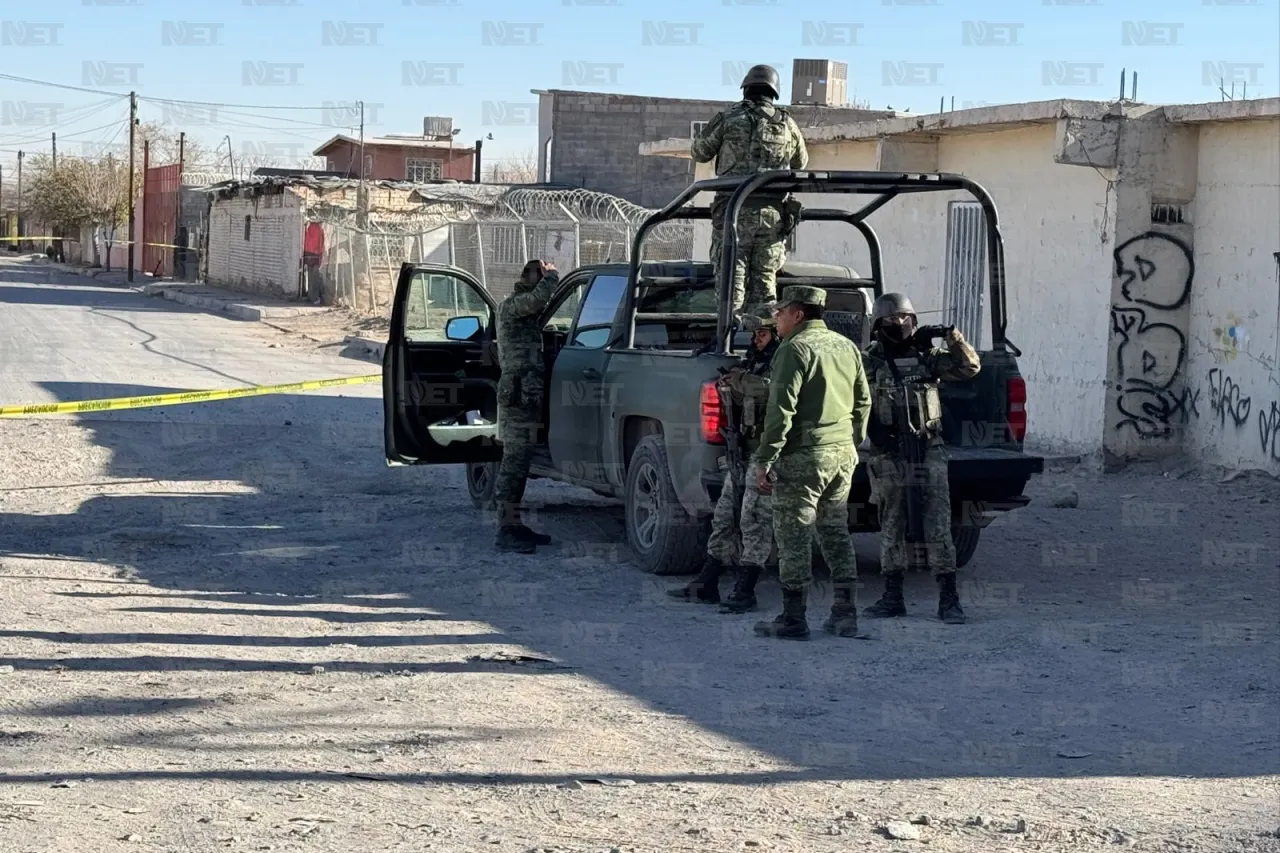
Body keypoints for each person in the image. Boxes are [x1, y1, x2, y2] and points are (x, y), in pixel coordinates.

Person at [751, 286, 872, 640]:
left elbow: (781, 411)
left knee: (794, 535)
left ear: (798, 314)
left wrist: (765, 458)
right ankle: (845, 613)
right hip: (840, 455)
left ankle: (793, 619)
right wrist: (851, 443)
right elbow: (863, 401)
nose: (776, 318)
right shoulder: (846, 346)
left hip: (804, 456)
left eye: (780, 312)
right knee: (835, 530)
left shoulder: (795, 349)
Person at [860, 292, 981, 624]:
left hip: (927, 447)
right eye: (892, 321)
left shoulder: (928, 357)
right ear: (877, 326)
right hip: (888, 451)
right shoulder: (868, 360)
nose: (900, 326)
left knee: (939, 523)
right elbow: (854, 400)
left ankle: (949, 598)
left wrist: (951, 336)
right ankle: (892, 595)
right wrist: (875, 432)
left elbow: (970, 367)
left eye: (907, 320)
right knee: (892, 523)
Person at [667, 309, 780, 612]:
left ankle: (746, 589)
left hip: (766, 453)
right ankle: (708, 581)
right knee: (724, 515)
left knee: (753, 520)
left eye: (763, 334)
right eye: (755, 334)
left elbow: (767, 390)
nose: (757, 339)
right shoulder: (754, 363)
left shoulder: (781, 363)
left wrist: (739, 380)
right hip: (741, 451)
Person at [690, 64, 808, 317]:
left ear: (745, 89)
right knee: (765, 288)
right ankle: (762, 344)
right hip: (772, 217)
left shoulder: (729, 118)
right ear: (774, 92)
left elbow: (700, 152)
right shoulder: (787, 124)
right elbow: (801, 162)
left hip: (733, 213)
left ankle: (727, 341)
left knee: (731, 284)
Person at [493, 260, 560, 554]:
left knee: (520, 466)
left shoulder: (525, 311)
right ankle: (505, 530)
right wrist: (553, 277)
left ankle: (514, 526)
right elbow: (537, 299)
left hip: (527, 397)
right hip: (518, 398)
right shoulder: (513, 305)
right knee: (513, 466)